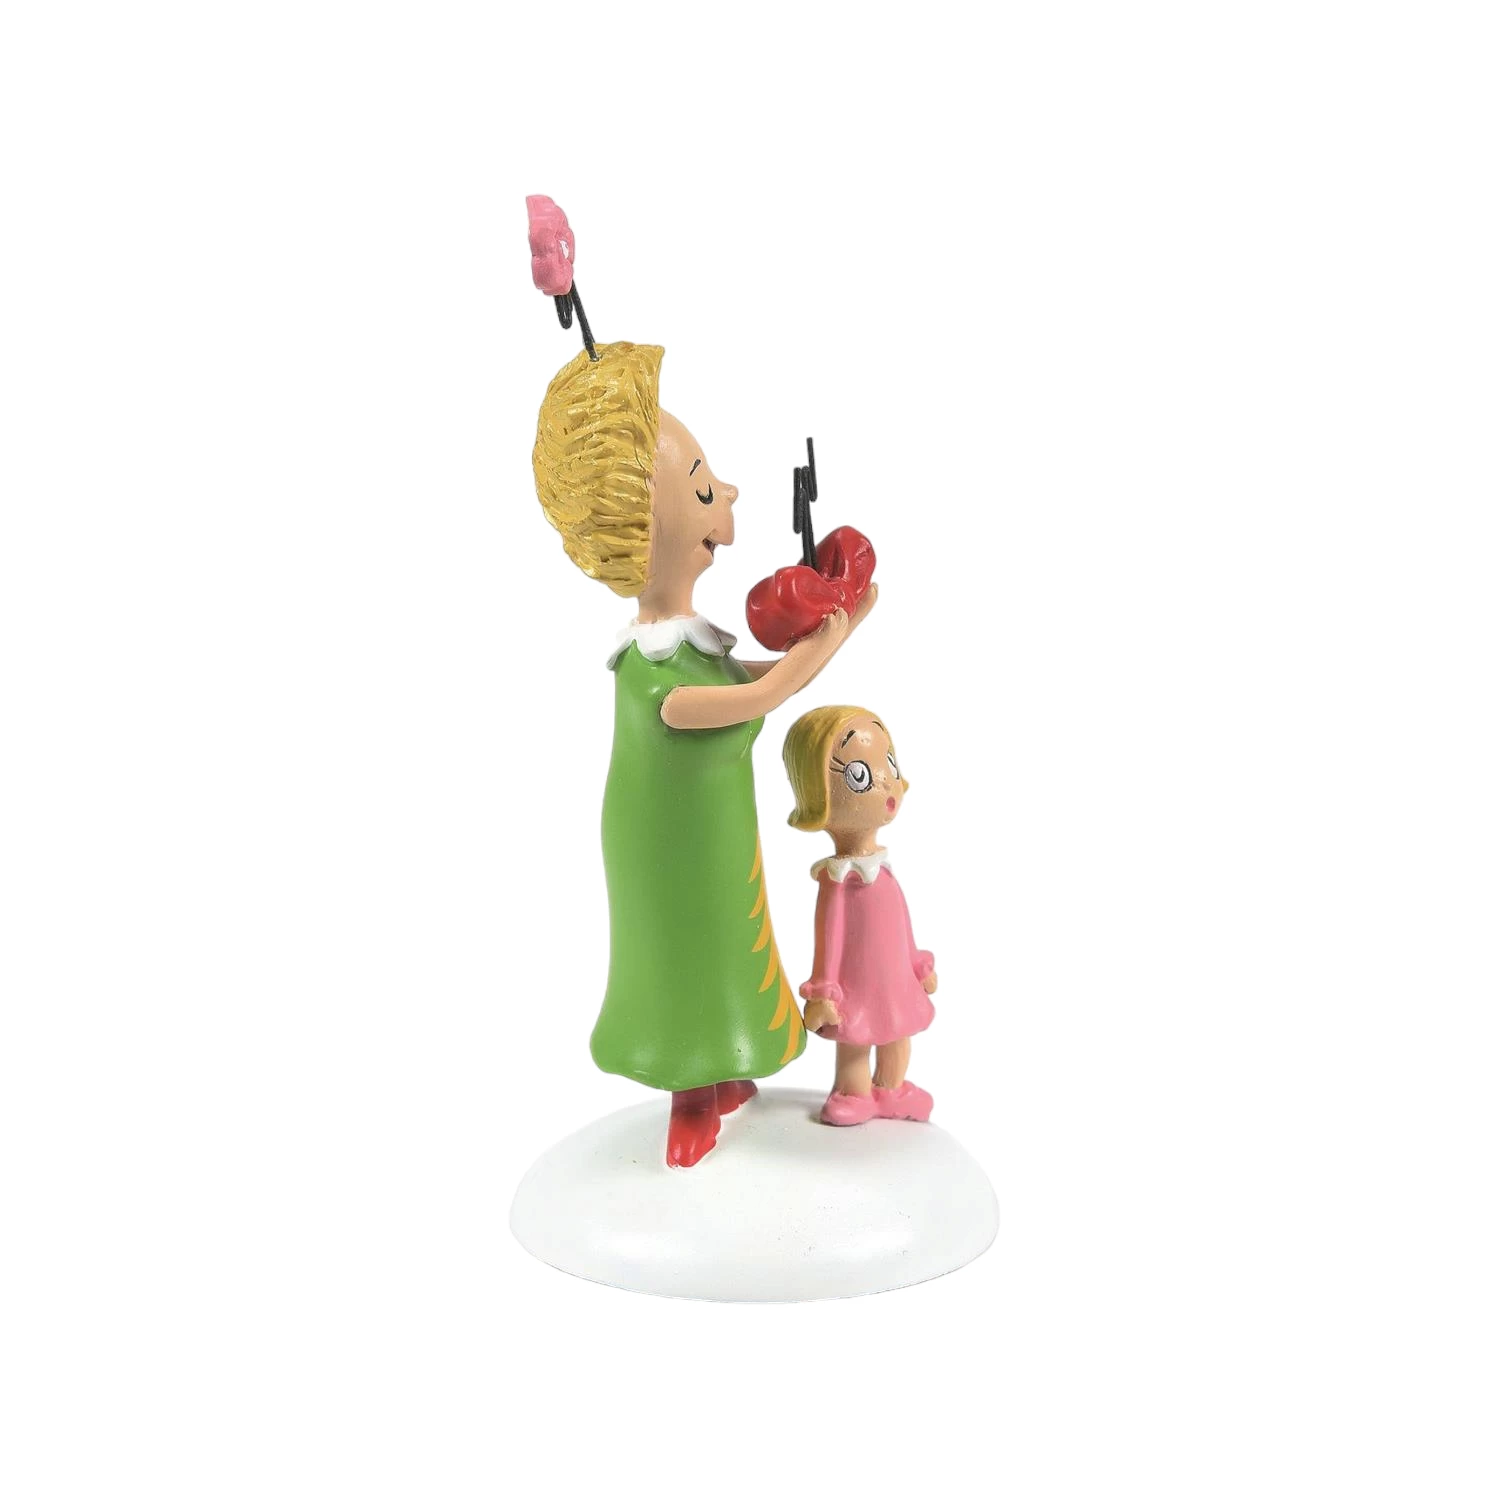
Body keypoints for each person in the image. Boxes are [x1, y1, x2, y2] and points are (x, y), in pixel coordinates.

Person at [532, 342, 876, 1165]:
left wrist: (833, 630)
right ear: (644, 532)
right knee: (686, 950)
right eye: (700, 487)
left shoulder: (692, 648)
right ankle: (691, 1095)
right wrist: (829, 639)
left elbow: (752, 678)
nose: (726, 495)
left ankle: (722, 1072)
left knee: (732, 939)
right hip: (668, 850)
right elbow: (757, 697)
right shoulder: (648, 673)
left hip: (716, 836)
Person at [782, 705, 937, 1126]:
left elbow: (901, 923)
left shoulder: (883, 872)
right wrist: (823, 989)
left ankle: (892, 1088)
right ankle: (854, 1092)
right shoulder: (838, 881)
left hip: (896, 977)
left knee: (898, 1033)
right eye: (859, 775)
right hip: (857, 982)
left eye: (889, 763)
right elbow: (828, 937)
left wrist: (916, 961)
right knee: (855, 1038)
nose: (886, 781)